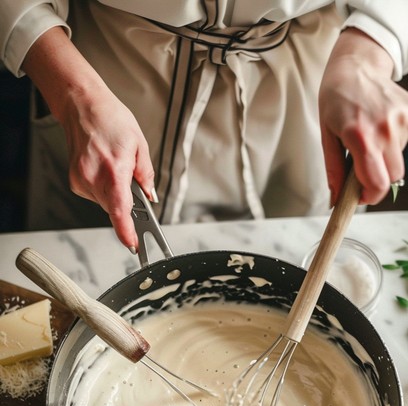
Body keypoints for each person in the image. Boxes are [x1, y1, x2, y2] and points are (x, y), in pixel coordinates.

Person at [1, 2, 408, 255]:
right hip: (106, 79)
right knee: (90, 264)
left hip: (305, 93)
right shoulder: (84, 95)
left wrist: (368, 50)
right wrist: (76, 96)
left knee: (294, 255)